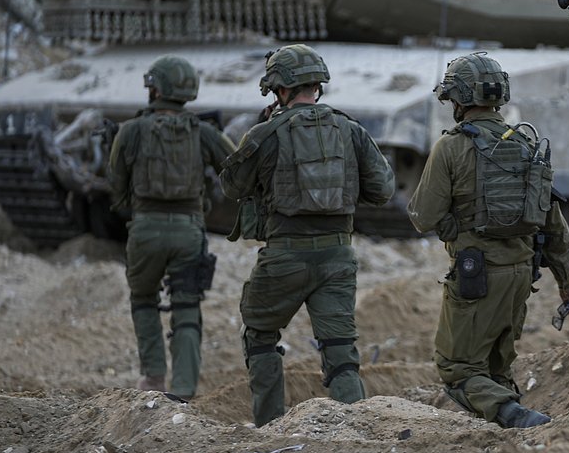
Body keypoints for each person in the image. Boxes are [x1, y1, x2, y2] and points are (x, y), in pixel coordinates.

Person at [407, 52, 569, 428]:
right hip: (522, 274)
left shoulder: (452, 147)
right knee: (496, 366)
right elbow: (552, 223)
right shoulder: (525, 143)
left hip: (476, 276)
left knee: (458, 369)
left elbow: (423, 216)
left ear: (458, 99)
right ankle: (509, 438)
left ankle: (518, 418)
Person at [220, 44, 394, 428]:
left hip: (283, 257)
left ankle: (269, 425)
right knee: (339, 349)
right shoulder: (350, 130)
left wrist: (260, 134)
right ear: (318, 85)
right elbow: (383, 190)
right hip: (338, 256)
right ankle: (355, 426)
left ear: (279, 89)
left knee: (261, 336)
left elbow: (232, 187)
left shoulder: (267, 132)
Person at [108, 55, 235, 399]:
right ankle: (183, 388)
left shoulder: (130, 131)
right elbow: (237, 168)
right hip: (189, 230)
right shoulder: (204, 132)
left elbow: (116, 189)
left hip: (145, 229)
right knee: (187, 305)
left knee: (143, 298)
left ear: (155, 89)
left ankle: (152, 380)